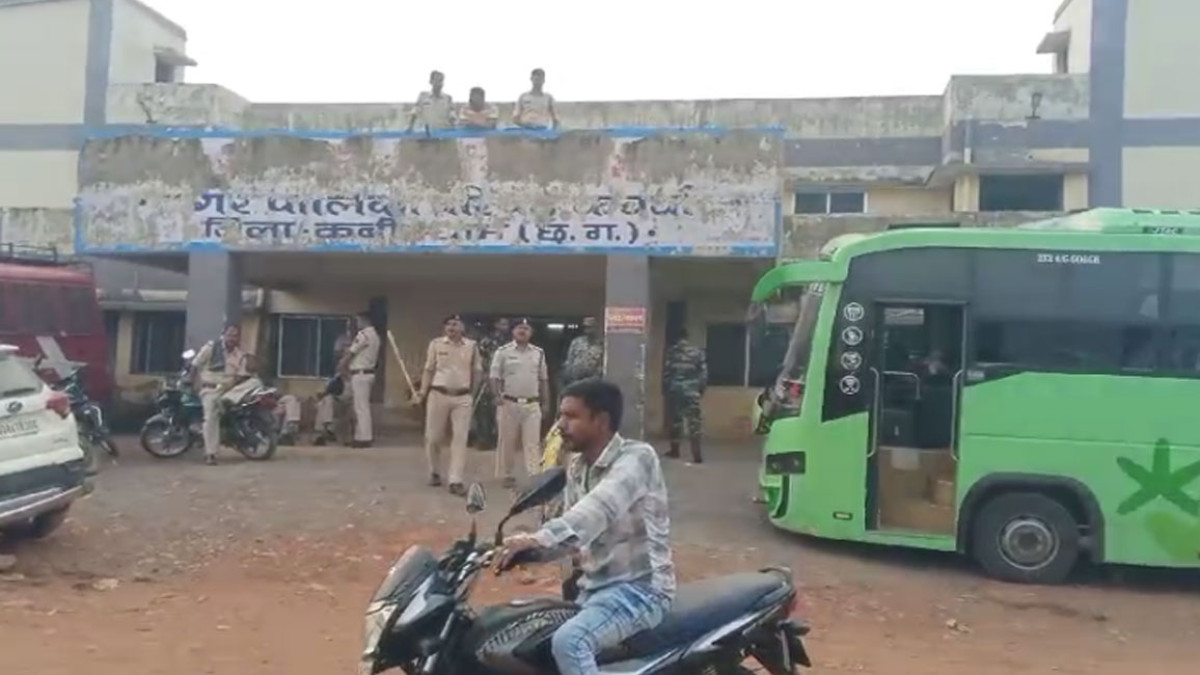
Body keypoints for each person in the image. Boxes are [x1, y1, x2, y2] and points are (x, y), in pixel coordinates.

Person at [496, 378, 675, 675]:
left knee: (570, 641)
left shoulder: (637, 458)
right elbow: (572, 538)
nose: (560, 425)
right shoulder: (578, 467)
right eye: (560, 416)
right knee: (527, 636)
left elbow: (597, 510)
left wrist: (540, 538)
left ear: (601, 421)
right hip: (593, 590)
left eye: (571, 416)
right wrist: (521, 550)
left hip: (640, 591)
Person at [418, 315, 482, 496]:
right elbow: (429, 369)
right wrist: (422, 392)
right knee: (433, 437)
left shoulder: (471, 346)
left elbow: (477, 371)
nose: (451, 327)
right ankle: (434, 471)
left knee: (460, 438)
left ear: (463, 328)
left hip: (462, 397)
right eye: (448, 324)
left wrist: (472, 394)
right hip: (438, 394)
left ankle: (456, 480)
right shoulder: (436, 344)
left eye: (455, 324)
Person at [490, 318, 549, 488]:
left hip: (532, 403)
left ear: (531, 332)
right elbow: (494, 376)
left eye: (526, 328)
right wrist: (496, 395)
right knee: (507, 441)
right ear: (513, 331)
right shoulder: (503, 352)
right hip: (509, 402)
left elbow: (543, 379)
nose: (522, 331)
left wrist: (546, 402)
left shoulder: (539, 353)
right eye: (519, 328)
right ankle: (507, 474)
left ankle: (534, 476)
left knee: (533, 443)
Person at [189, 323, 248, 466]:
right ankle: (211, 453)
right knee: (211, 416)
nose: (232, 338)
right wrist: (193, 384)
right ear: (223, 335)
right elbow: (195, 365)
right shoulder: (211, 348)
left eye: (235, 336)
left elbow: (242, 376)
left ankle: (227, 400)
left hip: (230, 390)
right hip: (211, 389)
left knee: (256, 382)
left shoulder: (240, 355)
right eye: (230, 335)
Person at [663, 329, 708, 464]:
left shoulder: (672, 352)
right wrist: (700, 389)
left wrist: (667, 390)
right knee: (694, 422)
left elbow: (667, 373)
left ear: (677, 338)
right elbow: (703, 373)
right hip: (692, 392)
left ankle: (675, 451)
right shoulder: (697, 352)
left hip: (675, 391)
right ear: (687, 337)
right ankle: (697, 454)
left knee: (675, 422)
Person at [338, 312, 381, 448]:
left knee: (361, 407)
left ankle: (364, 437)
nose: (357, 324)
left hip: (361, 373)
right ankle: (359, 436)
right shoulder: (375, 335)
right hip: (367, 373)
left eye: (358, 321)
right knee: (360, 406)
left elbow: (351, 352)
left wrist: (341, 365)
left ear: (364, 320)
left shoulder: (364, 335)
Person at [314, 321, 355, 446]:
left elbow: (349, 394)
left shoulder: (356, 370)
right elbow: (329, 387)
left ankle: (326, 430)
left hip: (348, 399)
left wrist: (345, 374)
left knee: (328, 402)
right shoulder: (336, 371)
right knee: (324, 401)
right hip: (336, 399)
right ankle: (325, 430)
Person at [472, 316, 510, 449]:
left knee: (499, 411)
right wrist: (483, 375)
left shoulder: (510, 343)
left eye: (506, 324)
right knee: (484, 410)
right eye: (502, 324)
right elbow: (480, 360)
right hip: (487, 379)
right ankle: (483, 438)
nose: (505, 327)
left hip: (505, 381)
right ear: (496, 325)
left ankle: (497, 439)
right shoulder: (487, 341)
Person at [560, 317, 603, 390]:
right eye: (585, 327)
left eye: (590, 327)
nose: (587, 330)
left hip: (593, 381)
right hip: (576, 380)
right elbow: (570, 360)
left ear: (595, 328)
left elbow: (602, 363)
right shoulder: (577, 342)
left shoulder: (601, 344)